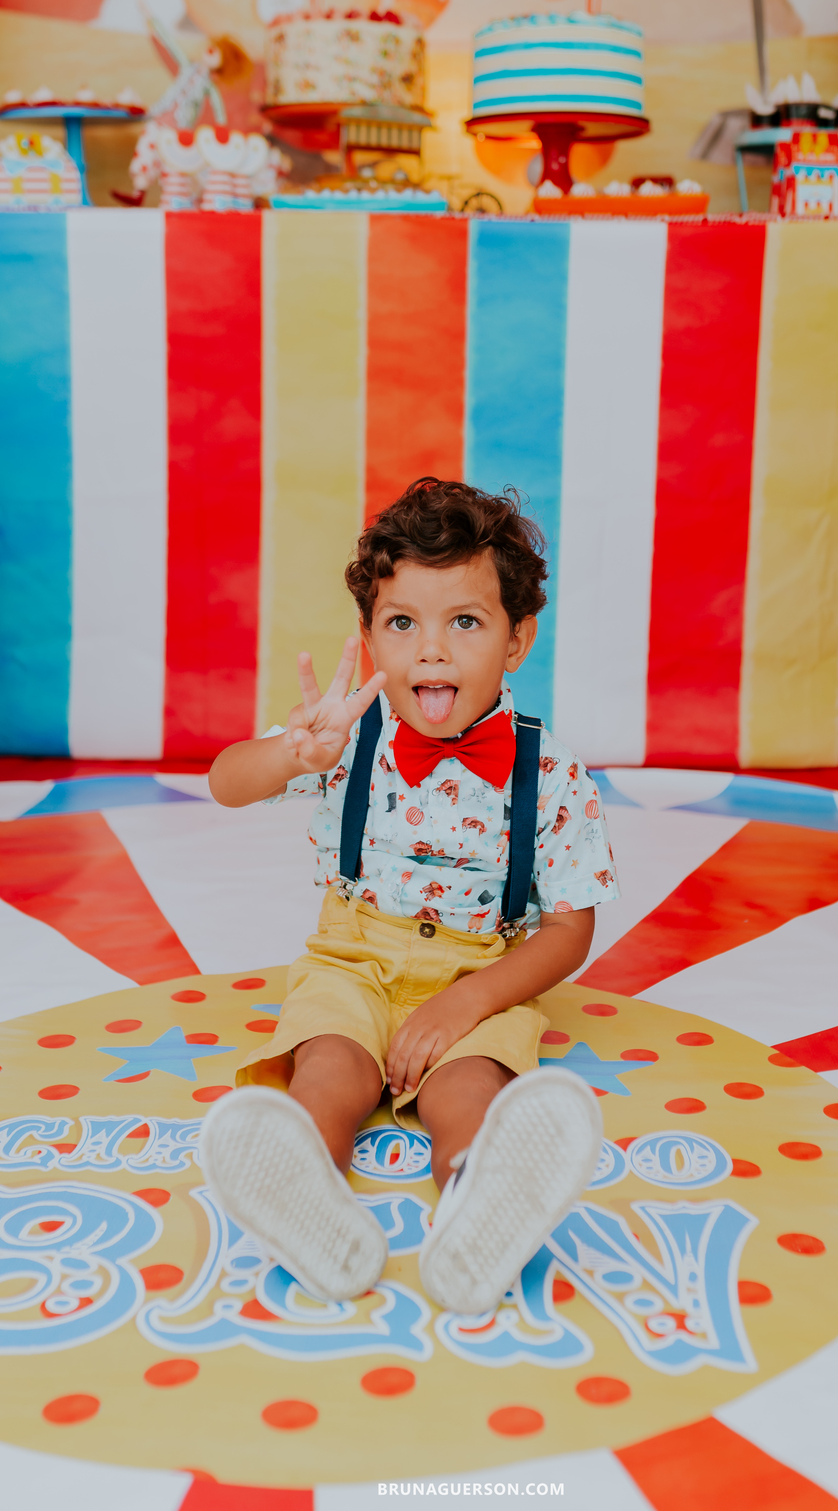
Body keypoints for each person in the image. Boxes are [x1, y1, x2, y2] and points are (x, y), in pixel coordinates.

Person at [201, 478, 619, 1316]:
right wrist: (295, 753)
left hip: (481, 972)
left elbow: (570, 930)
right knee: (329, 1070)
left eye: (464, 622)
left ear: (517, 639)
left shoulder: (551, 773)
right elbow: (224, 783)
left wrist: (467, 1003)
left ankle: (480, 1208)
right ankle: (304, 1195)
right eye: (403, 624)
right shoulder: (343, 744)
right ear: (369, 638)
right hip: (351, 960)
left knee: (469, 1092)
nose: (431, 651)